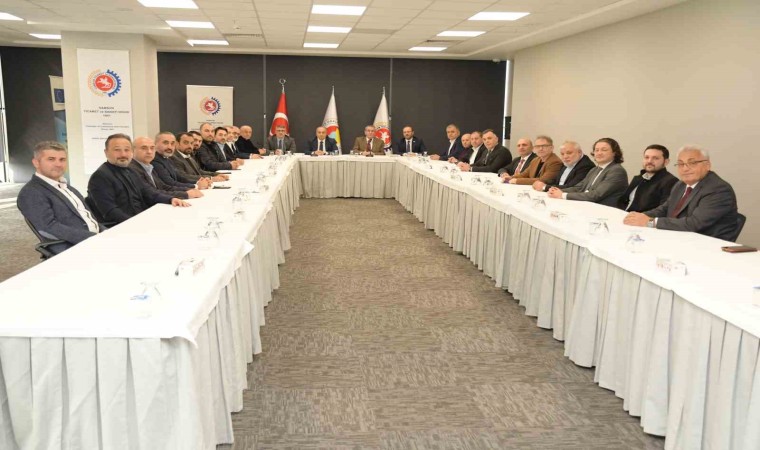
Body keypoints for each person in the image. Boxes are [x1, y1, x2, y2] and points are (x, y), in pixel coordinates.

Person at [623, 145, 739, 241]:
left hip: (707, 245)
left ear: (707, 165)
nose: (685, 168)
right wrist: (638, 216)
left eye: (692, 163)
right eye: (681, 164)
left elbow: (694, 223)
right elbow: (664, 208)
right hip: (678, 238)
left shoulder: (718, 189)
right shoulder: (681, 184)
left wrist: (650, 222)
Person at [17, 141, 103, 254]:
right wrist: (94, 239)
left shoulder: (68, 188)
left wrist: (107, 233)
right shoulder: (31, 192)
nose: (58, 164)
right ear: (36, 163)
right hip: (72, 247)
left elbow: (88, 218)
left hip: (94, 240)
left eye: (62, 160)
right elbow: (48, 227)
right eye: (51, 159)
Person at [88, 133, 190, 225]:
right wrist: (138, 223)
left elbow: (149, 193)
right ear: (106, 152)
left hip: (140, 219)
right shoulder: (100, 176)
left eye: (127, 150)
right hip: (121, 227)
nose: (123, 154)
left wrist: (171, 199)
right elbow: (110, 211)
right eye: (117, 150)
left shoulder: (130, 171)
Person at [547, 137, 628, 206]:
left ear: (614, 153)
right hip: (588, 206)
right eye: (596, 150)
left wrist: (563, 195)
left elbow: (595, 195)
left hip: (606, 211)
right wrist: (557, 191)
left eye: (604, 150)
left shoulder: (617, 171)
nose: (599, 153)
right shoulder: (595, 169)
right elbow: (579, 187)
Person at [128, 136, 202, 200]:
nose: (149, 152)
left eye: (152, 148)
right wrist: (186, 193)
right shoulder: (132, 170)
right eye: (144, 148)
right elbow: (152, 193)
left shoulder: (149, 166)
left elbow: (163, 186)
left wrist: (190, 189)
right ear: (132, 150)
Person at [617, 145, 678, 212]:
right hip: (621, 214)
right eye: (646, 157)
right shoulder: (638, 178)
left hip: (643, 217)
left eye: (655, 158)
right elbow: (622, 201)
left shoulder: (670, 181)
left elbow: (663, 210)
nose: (649, 161)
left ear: (666, 162)